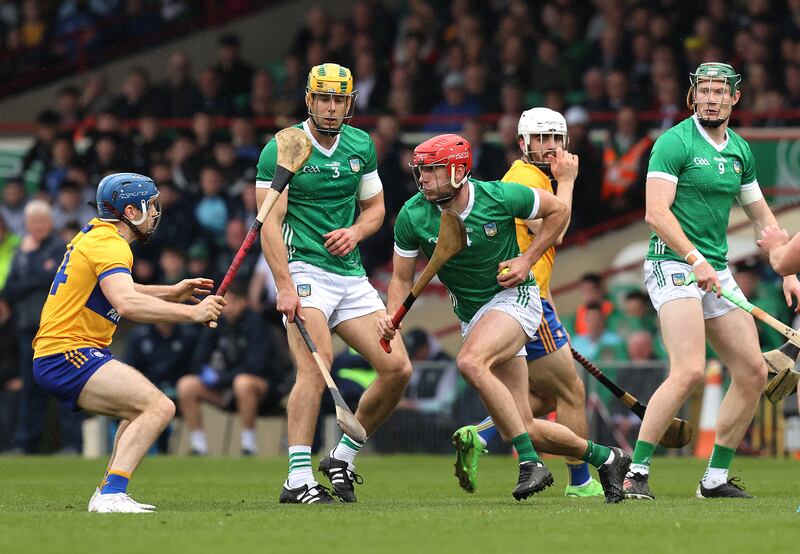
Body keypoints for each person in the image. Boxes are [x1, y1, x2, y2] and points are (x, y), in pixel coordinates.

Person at [379, 133, 630, 503]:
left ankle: (530, 463)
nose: (424, 179)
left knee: (470, 361)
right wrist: (391, 315)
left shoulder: (498, 196)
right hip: (474, 315)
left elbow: (558, 212)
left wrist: (526, 261)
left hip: (516, 297)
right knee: (523, 423)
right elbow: (401, 278)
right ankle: (608, 458)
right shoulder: (413, 215)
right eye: (421, 172)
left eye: (433, 171)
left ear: (458, 170)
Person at [624, 62, 800, 500]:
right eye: (704, 90)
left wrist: (789, 269)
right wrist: (693, 257)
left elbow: (762, 216)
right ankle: (635, 473)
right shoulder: (674, 142)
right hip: (672, 262)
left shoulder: (740, 150)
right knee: (689, 370)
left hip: (714, 269)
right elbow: (655, 213)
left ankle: (714, 479)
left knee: (754, 371)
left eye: (720, 91)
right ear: (693, 95)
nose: (711, 98)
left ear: (734, 98)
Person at [256, 63, 413, 505]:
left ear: (349, 103)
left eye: (338, 99)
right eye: (323, 98)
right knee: (315, 364)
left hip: (351, 276)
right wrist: (284, 286)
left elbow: (376, 210)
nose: (330, 107)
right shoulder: (283, 147)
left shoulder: (361, 144)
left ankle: (342, 457)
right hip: (304, 271)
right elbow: (270, 224)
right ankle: (298, 479)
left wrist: (356, 232)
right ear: (309, 100)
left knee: (398, 368)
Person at [31, 173, 226, 513]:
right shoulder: (111, 245)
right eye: (150, 206)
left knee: (138, 408)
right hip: (67, 353)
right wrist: (193, 315)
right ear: (130, 211)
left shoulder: (97, 235)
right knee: (159, 407)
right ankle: (110, 495)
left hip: (64, 352)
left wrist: (171, 291)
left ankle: (108, 491)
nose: (155, 213)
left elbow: (120, 288)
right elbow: (126, 303)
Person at [450, 107, 605, 498]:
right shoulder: (526, 176)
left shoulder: (531, 175)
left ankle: (480, 433)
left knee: (539, 399)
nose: (551, 147)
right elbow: (555, 233)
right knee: (571, 393)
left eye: (556, 139)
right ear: (523, 144)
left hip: (525, 297)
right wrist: (568, 181)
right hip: (520, 301)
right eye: (541, 139)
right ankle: (582, 484)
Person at [176, 280, 279, 457]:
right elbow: (198, 359)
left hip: (262, 389)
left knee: (243, 383)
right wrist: (206, 373)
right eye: (224, 303)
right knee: (187, 385)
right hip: (225, 388)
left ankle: (248, 445)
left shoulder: (257, 323)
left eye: (233, 303)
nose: (228, 308)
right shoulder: (217, 322)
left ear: (244, 302)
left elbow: (254, 366)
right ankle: (198, 446)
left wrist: (220, 378)